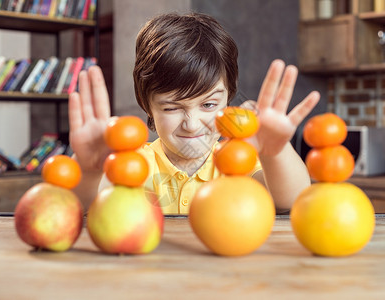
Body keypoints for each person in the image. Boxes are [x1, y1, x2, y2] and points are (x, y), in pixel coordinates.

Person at [69, 12, 320, 215]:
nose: (191, 124)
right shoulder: (134, 162)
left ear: (227, 99)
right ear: (147, 105)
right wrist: (90, 171)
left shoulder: (239, 160)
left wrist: (275, 153)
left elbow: (291, 201)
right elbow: (82, 204)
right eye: (172, 107)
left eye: (208, 105)